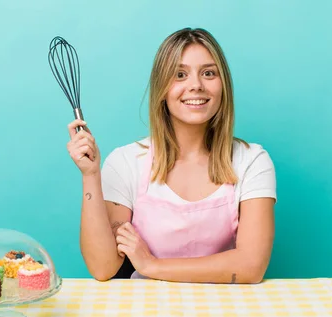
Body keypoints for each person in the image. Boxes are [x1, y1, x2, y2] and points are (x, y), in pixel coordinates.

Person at [66, 27, 276, 283]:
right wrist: (90, 175)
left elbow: (251, 266)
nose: (196, 85)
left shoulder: (252, 161)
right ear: (162, 88)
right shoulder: (125, 162)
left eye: (208, 73)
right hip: (145, 313)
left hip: (224, 312)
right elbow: (103, 267)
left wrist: (152, 266)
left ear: (224, 85)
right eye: (180, 75)